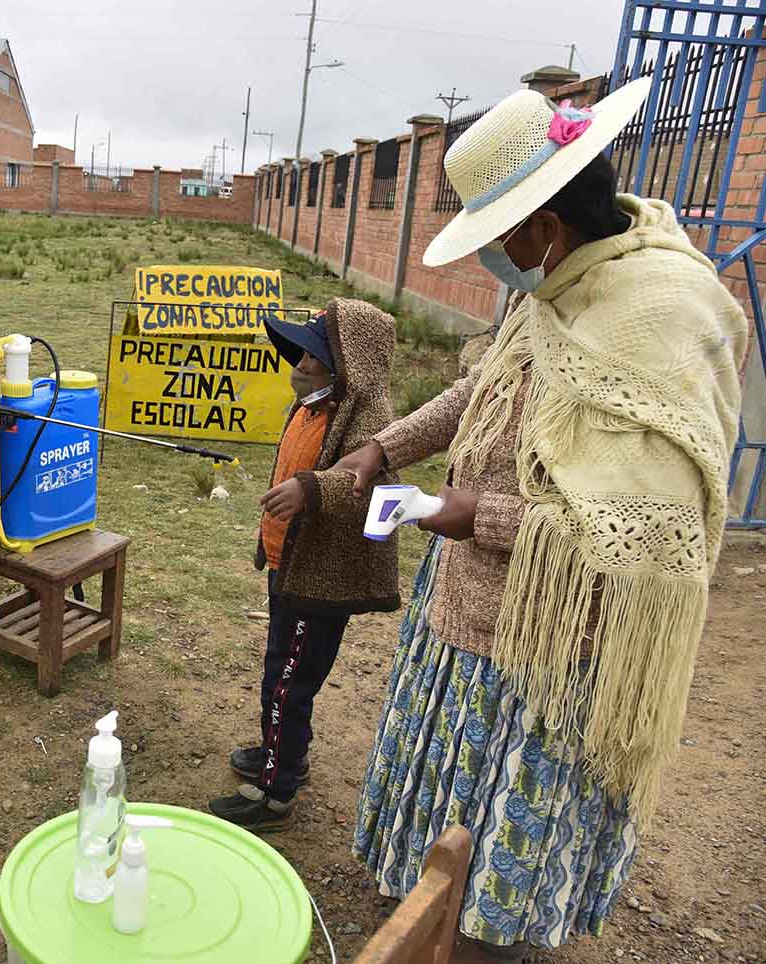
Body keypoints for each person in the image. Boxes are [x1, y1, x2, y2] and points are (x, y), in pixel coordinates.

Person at [341, 80, 748, 962]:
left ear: (544, 229)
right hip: (470, 617)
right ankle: (439, 916)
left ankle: (488, 940)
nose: (490, 257)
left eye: (494, 237)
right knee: (452, 828)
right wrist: (387, 447)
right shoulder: (555, 288)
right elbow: (480, 388)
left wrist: (472, 514)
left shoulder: (659, 320)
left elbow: (634, 538)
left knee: (507, 849)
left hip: (550, 654)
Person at [207, 300, 400, 828]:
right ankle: (286, 753)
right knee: (283, 671)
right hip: (289, 566)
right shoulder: (312, 405)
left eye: (314, 355)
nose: (299, 363)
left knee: (289, 680)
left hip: (322, 578)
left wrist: (313, 489)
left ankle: (275, 793)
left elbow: (374, 490)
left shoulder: (369, 420)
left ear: (347, 365)